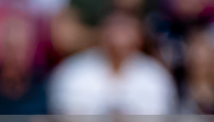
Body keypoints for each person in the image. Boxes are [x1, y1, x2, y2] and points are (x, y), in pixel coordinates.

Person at [48, 10, 178, 115]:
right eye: (115, 27)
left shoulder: (155, 76)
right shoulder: (73, 71)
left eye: (126, 29)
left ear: (139, 37)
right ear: (102, 33)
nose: (119, 36)